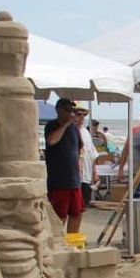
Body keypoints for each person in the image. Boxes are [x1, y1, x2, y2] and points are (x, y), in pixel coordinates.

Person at [44, 98, 85, 232]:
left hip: (74, 180)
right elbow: (51, 141)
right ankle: (58, 243)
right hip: (58, 181)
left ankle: (72, 242)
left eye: (73, 111)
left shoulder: (75, 129)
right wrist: (65, 125)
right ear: (59, 110)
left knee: (77, 213)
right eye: (68, 110)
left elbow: (79, 148)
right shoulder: (52, 126)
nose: (71, 114)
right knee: (59, 215)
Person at [73, 107, 101, 206]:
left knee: (83, 205)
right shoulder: (69, 131)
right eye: (78, 114)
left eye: (83, 115)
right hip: (74, 176)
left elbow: (92, 154)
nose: (81, 118)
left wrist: (95, 173)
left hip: (86, 175)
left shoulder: (85, 132)